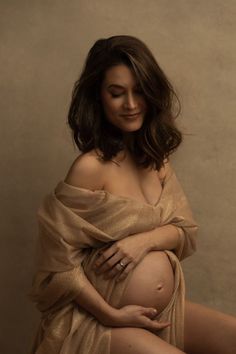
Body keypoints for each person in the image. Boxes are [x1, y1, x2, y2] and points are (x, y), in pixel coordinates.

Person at [30, 35, 236, 354]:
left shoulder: (157, 161)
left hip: (162, 311)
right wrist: (111, 314)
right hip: (99, 321)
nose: (131, 104)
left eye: (139, 90)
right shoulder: (90, 168)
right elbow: (58, 266)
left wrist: (142, 241)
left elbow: (185, 231)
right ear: (98, 98)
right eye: (116, 93)